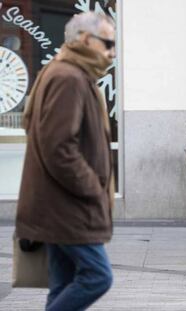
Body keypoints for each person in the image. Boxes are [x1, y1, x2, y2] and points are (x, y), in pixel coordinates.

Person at [15, 12, 116, 310]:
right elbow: (58, 147)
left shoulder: (65, 71)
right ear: (86, 39)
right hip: (67, 208)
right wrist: (93, 188)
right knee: (98, 277)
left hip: (57, 205)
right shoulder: (68, 77)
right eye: (108, 43)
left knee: (61, 284)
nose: (112, 52)